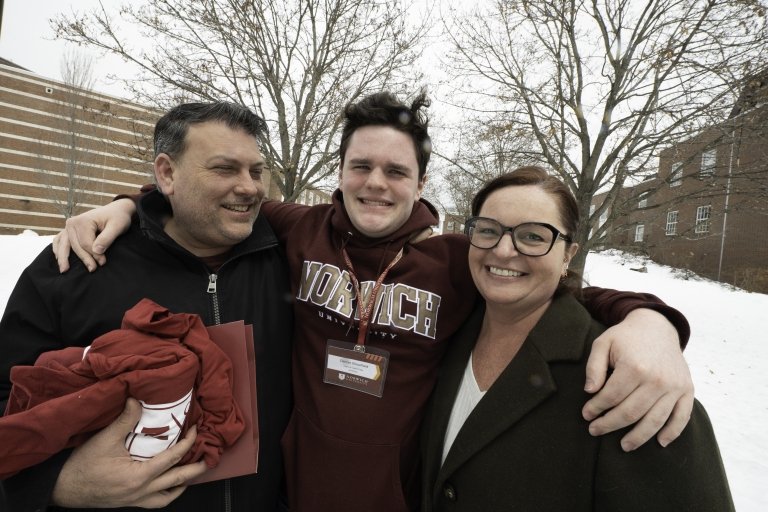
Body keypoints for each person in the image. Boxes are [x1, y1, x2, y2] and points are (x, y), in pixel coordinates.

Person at [52, 92, 694, 512]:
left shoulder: (455, 261)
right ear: (339, 171)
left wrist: (650, 320)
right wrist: (129, 202)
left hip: (394, 492)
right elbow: (207, 191)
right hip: (293, 485)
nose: (376, 184)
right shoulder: (295, 227)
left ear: (420, 183)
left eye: (396, 171)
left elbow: (546, 281)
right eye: (361, 166)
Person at [0, 102, 293, 511]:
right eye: (225, 169)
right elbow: (8, 396)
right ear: (167, 173)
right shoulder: (76, 266)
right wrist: (59, 483)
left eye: (257, 170)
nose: (250, 187)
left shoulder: (290, 261)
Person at [420, 166, 734, 511]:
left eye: (533, 237)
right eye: (488, 230)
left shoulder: (632, 384)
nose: (504, 250)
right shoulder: (445, 330)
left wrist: (655, 323)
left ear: (568, 254)